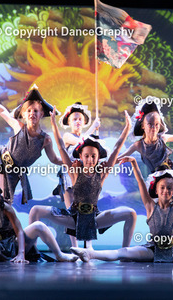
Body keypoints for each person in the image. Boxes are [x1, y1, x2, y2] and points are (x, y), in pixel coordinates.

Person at [28, 110, 136, 248]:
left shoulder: (102, 173)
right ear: (81, 156)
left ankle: (125, 252)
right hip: (73, 217)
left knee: (131, 213)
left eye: (93, 156)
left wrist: (127, 128)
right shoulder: (74, 172)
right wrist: (53, 123)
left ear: (98, 157)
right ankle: (31, 251)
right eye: (86, 156)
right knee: (35, 210)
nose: (90, 159)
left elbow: (116, 148)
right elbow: (61, 147)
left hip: (94, 217)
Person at [0, 85, 61, 204]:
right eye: (29, 111)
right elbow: (3, 112)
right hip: (0, 155)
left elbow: (54, 159)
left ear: (41, 114)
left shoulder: (45, 139)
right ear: (23, 114)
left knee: (2, 203)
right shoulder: (19, 127)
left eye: (35, 111)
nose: (32, 113)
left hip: (12, 172)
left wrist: (70, 162)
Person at [49, 102, 100, 248]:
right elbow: (81, 143)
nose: (77, 122)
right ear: (69, 122)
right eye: (74, 119)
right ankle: (75, 247)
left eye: (80, 119)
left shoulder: (88, 138)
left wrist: (95, 131)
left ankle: (88, 246)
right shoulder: (67, 136)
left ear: (83, 122)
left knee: (87, 210)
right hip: (68, 178)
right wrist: (93, 127)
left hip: (84, 179)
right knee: (71, 213)